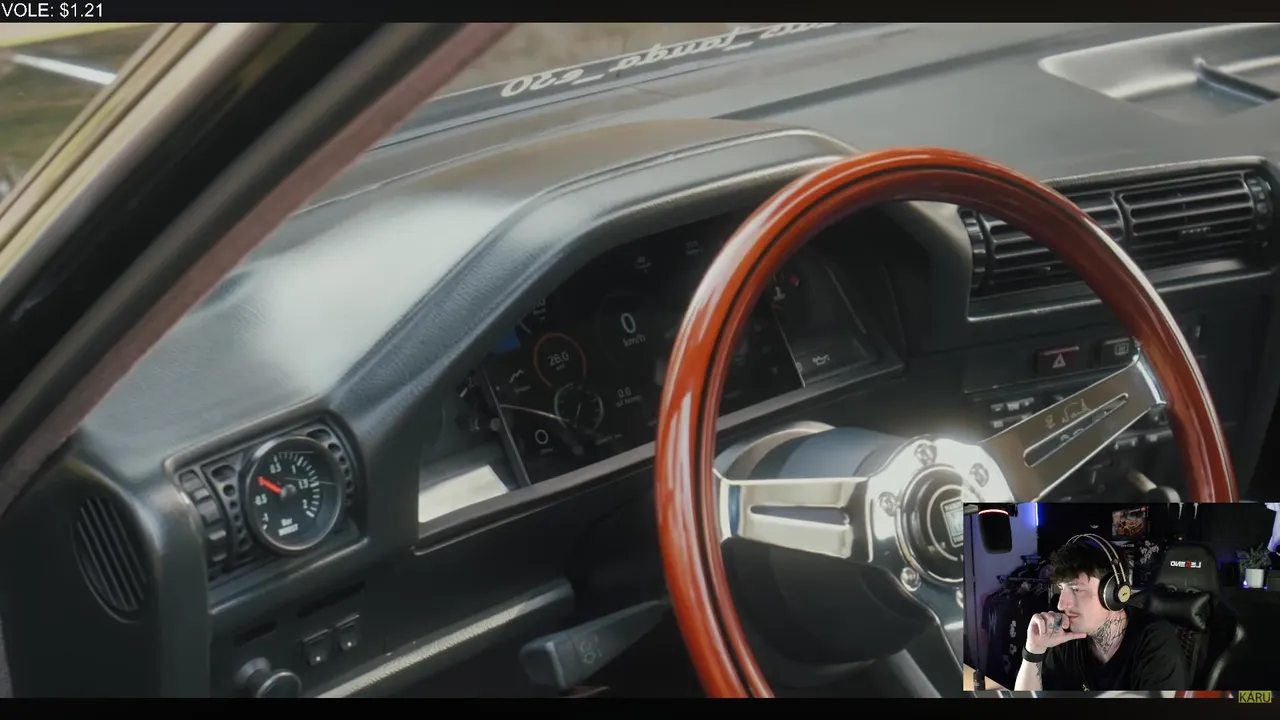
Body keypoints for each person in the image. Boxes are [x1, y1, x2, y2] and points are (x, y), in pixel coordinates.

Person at [1013, 538, 1187, 691]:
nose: (1061, 604)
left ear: (1113, 593)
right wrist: (1034, 652)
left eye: (1076, 589)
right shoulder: (1065, 637)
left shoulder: (1156, 644)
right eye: (1061, 589)